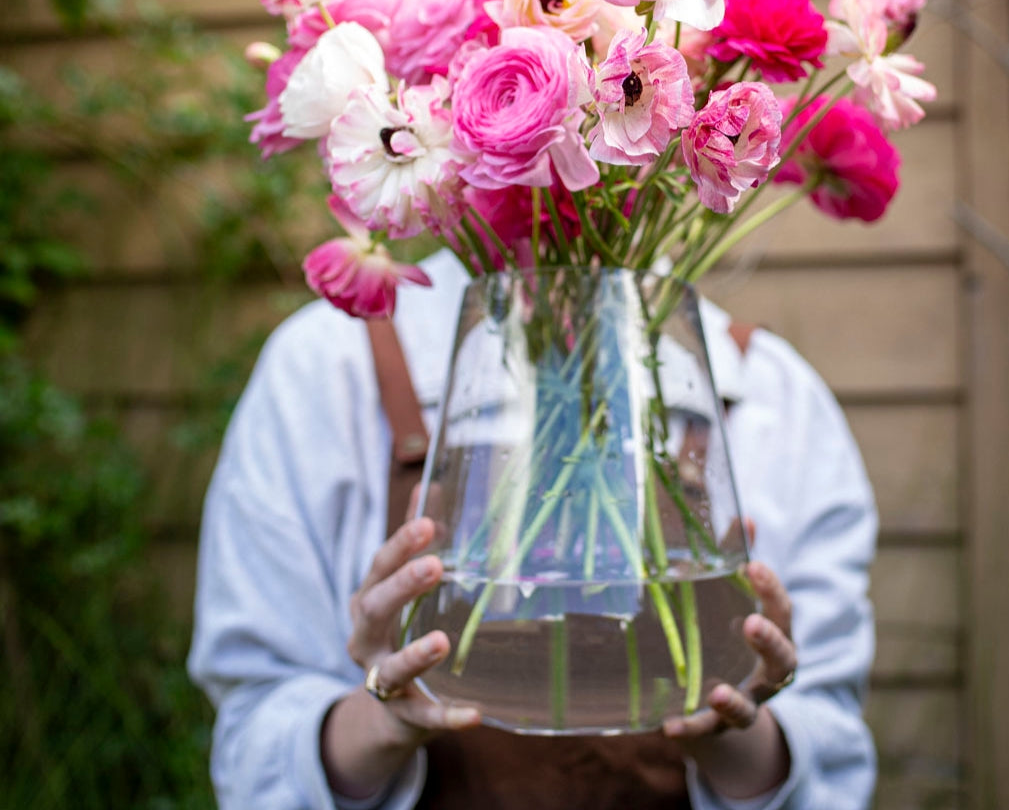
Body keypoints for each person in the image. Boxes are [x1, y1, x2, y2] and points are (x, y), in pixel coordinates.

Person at [188, 247, 878, 809]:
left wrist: (738, 731)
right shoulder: (326, 369)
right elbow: (253, 753)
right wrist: (379, 718)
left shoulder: (771, 397)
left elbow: (834, 768)